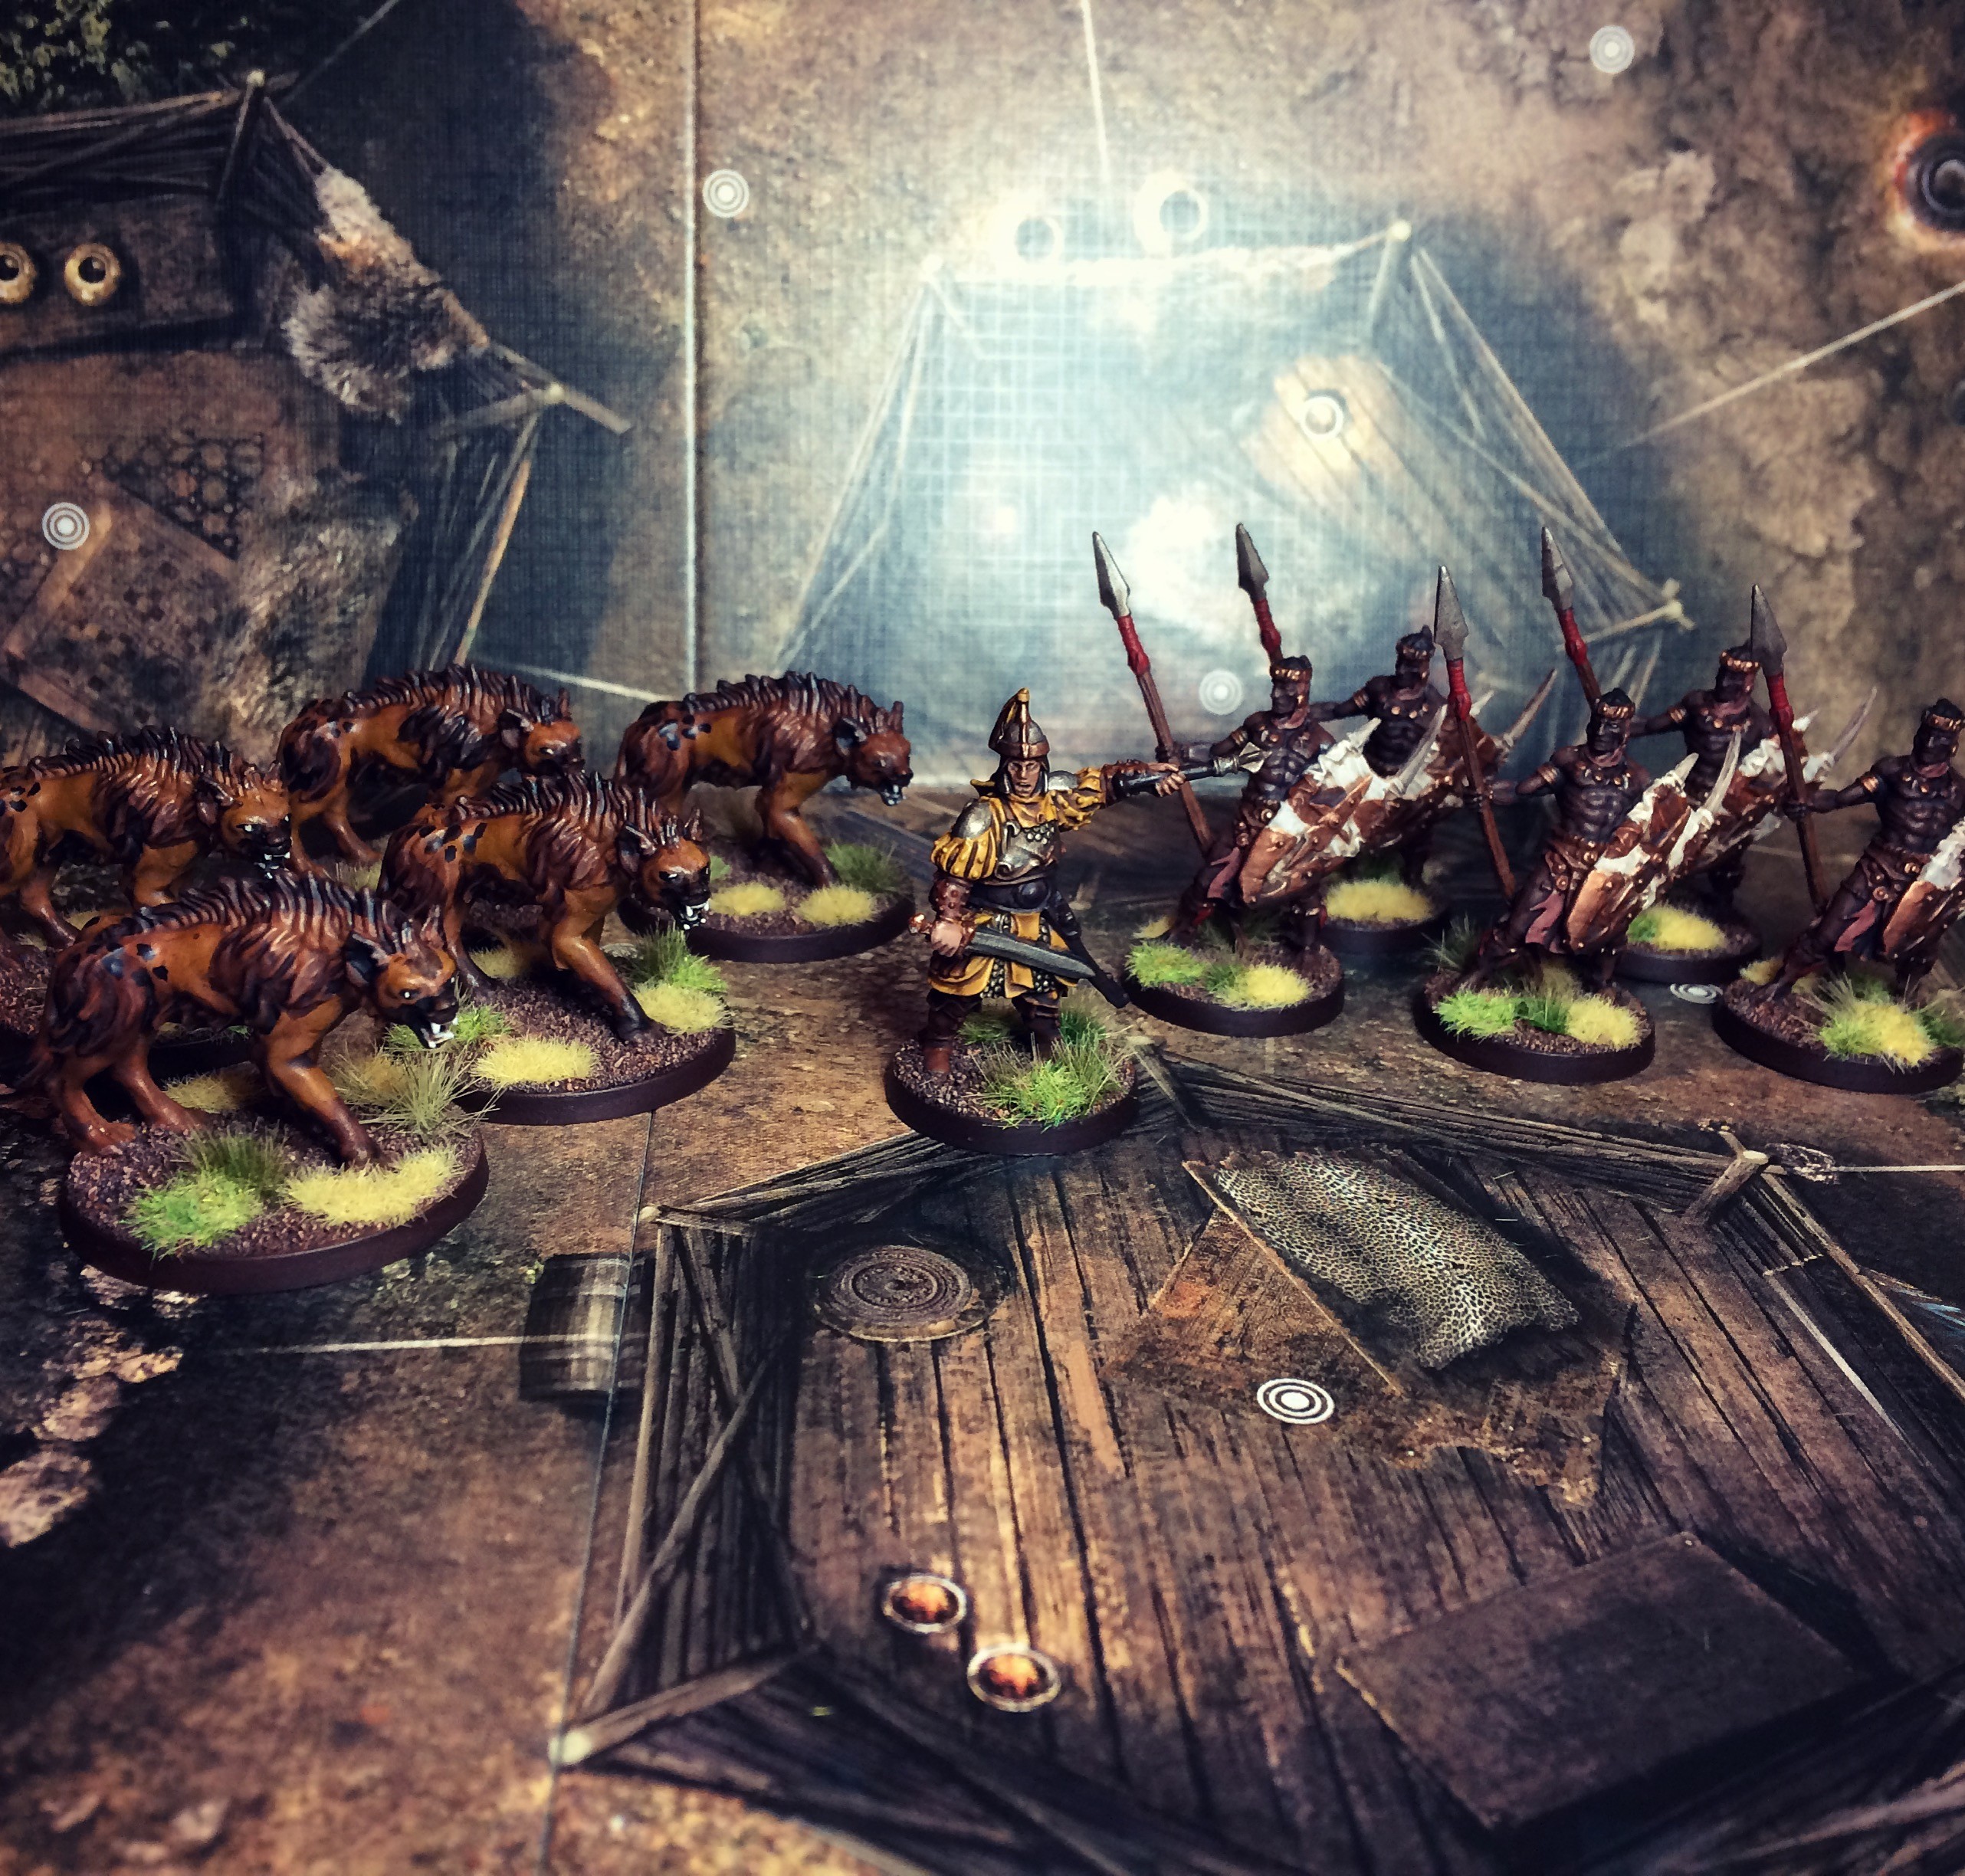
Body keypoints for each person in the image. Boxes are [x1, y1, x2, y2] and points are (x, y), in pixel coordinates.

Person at [918, 690, 1176, 1074]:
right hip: (987, 921)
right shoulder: (984, 815)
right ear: (1004, 767)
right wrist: (950, 921)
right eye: (1016, 766)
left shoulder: (1054, 801)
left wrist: (1149, 778)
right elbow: (955, 876)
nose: (1024, 775)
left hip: (1039, 918)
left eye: (1032, 766)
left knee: (1043, 993)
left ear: (1043, 765)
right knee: (958, 990)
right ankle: (938, 1044)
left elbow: (1103, 786)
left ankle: (1046, 1043)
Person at [1755, 698, 1965, 1003]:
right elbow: (1841, 798)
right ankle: (1781, 984)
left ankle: (1905, 999)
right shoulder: (1892, 772)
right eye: (1927, 734)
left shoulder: (1959, 790)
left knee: (1921, 948)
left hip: (1925, 882)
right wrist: (1808, 802)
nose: (1930, 743)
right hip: (1877, 869)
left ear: (1952, 746)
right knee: (1825, 932)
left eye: (1940, 739)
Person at [1459, 687, 1649, 988]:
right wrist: (1486, 794)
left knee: (1611, 935)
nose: (1601, 731)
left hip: (1605, 869)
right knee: (1517, 925)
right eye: (1597, 722)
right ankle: (1477, 975)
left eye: (1611, 726)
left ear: (1625, 732)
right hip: (1562, 860)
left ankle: (1601, 986)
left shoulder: (1638, 778)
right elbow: (1523, 790)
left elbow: (1646, 826)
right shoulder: (1569, 761)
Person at [1629, 642, 1774, 912]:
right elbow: (1651, 725)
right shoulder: (1697, 705)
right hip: (1685, 795)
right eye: (1723, 673)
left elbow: (1776, 769)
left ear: (1748, 684)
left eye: (1733, 677)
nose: (1724, 681)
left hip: (1725, 808)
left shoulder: (1759, 724)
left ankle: (1721, 907)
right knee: (1652, 850)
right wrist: (1617, 727)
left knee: (1725, 863)